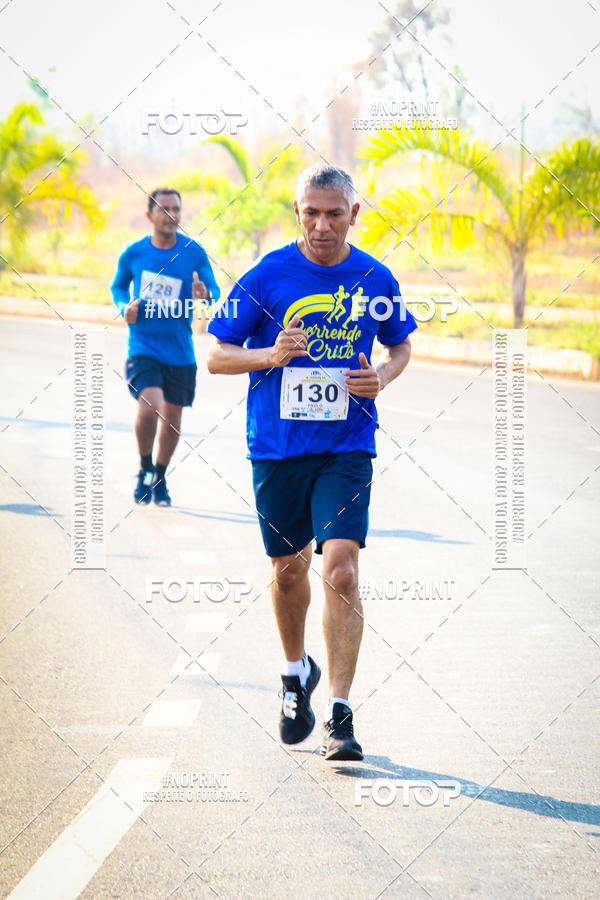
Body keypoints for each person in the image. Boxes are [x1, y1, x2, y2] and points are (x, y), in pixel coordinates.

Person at [206, 164, 416, 760]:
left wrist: (383, 375)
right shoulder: (268, 275)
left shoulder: (374, 276)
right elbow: (218, 355)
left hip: (347, 446)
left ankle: (341, 716)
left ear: (356, 213)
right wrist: (270, 354)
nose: (322, 225)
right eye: (311, 213)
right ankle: (296, 673)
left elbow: (400, 345)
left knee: (342, 569)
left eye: (334, 213)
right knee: (289, 571)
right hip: (277, 448)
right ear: (296, 213)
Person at [111, 188, 220, 506]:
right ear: (150, 215)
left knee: (172, 418)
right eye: (165, 209)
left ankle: (159, 476)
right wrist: (124, 305)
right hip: (143, 346)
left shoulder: (193, 252)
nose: (172, 214)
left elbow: (212, 288)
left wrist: (204, 294)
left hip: (180, 350)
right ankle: (144, 468)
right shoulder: (133, 253)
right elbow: (117, 285)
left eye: (176, 209)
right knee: (150, 406)